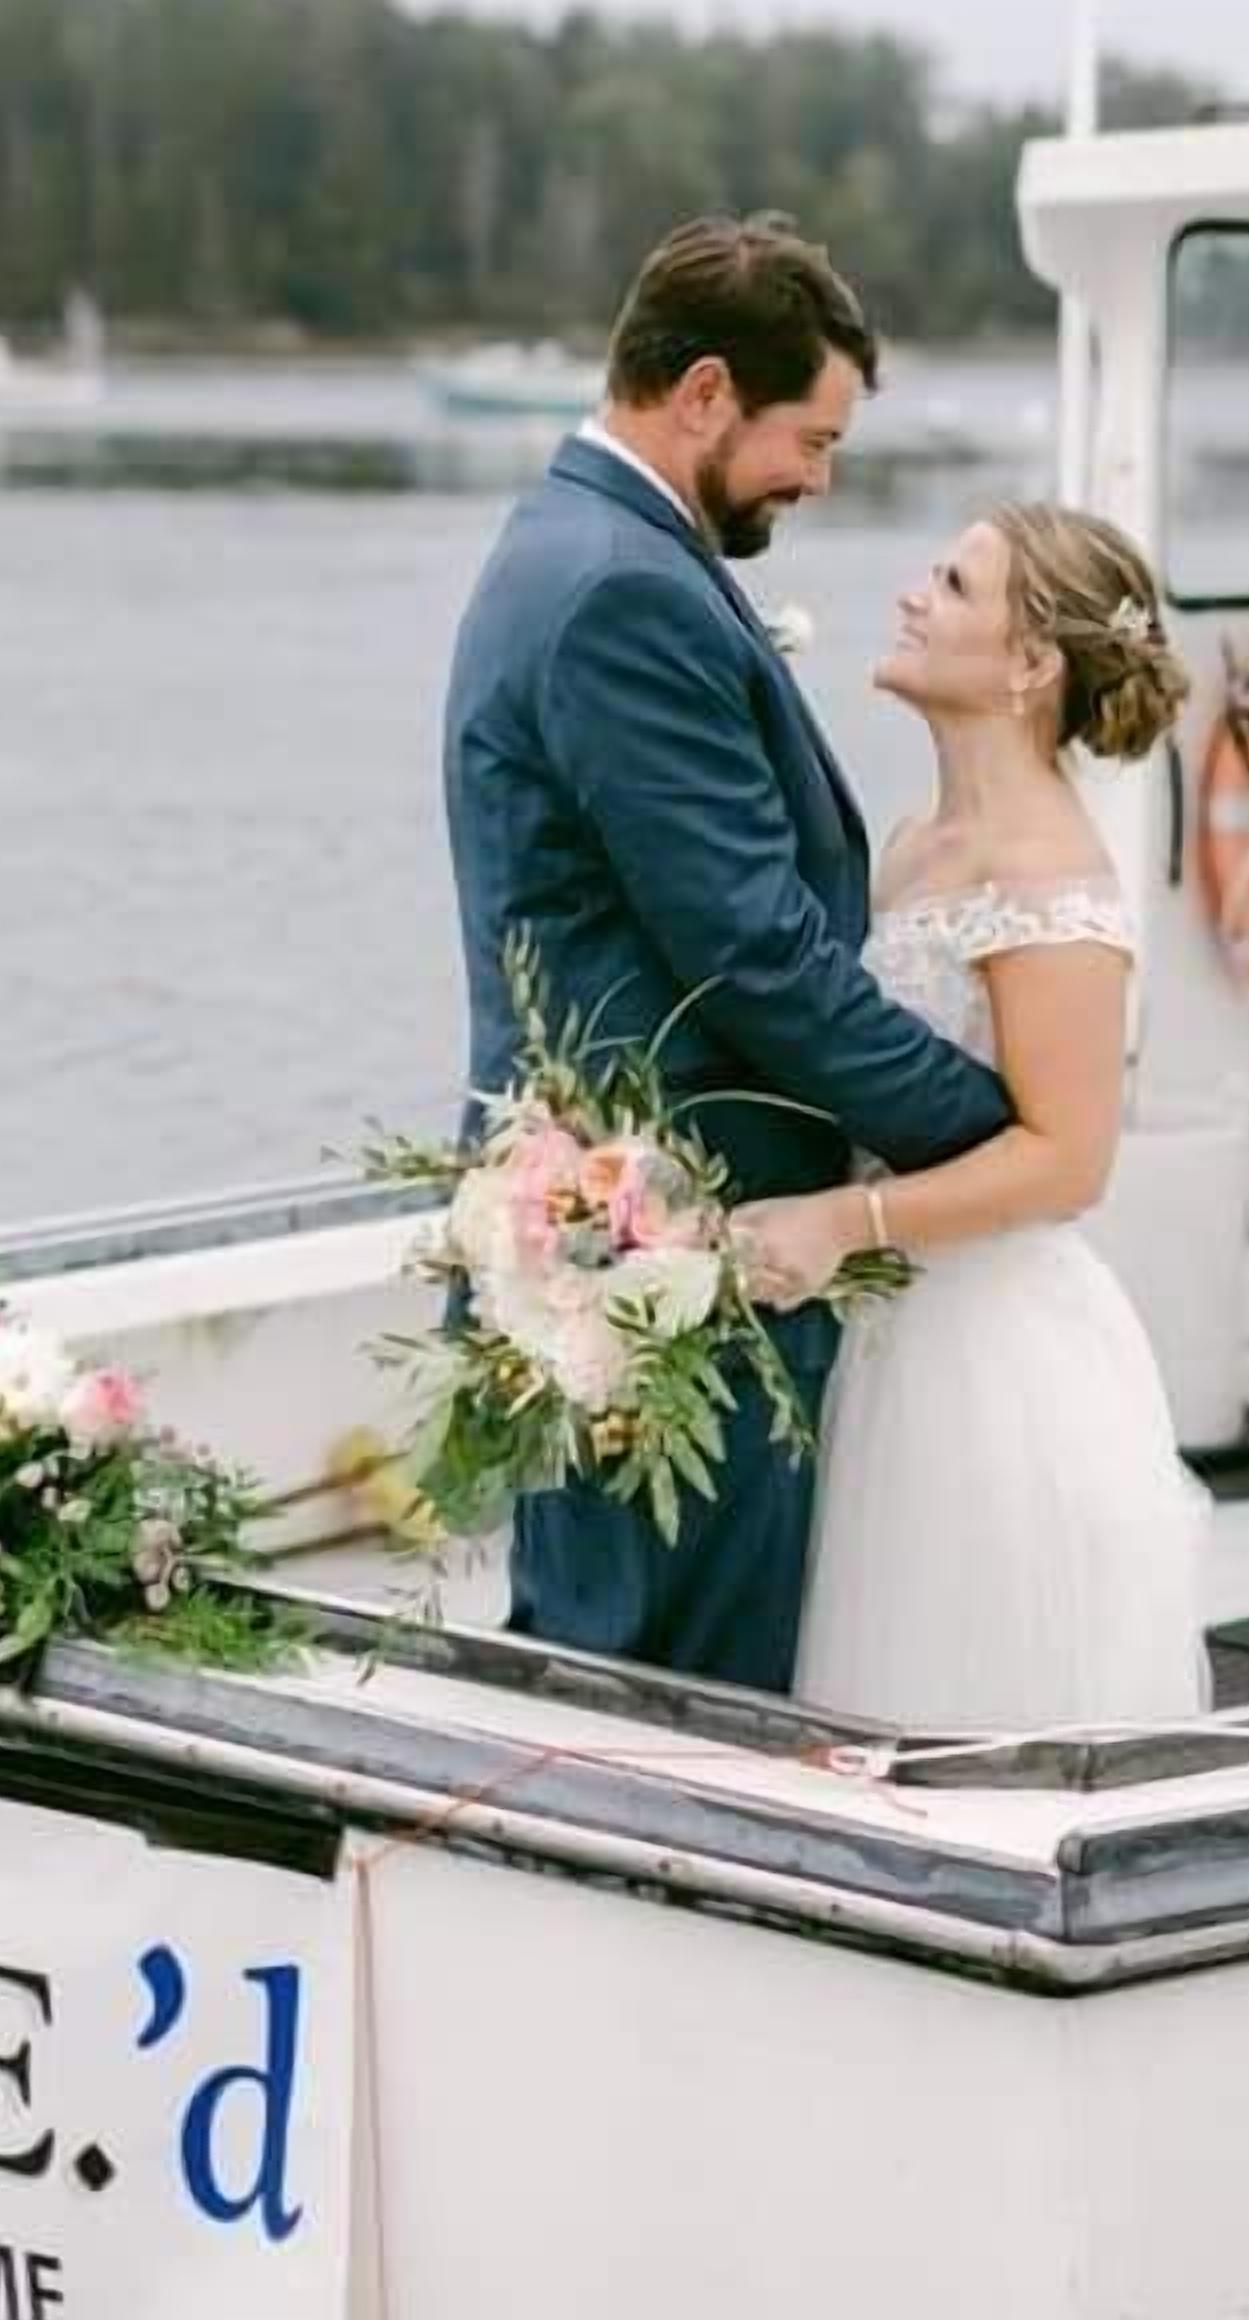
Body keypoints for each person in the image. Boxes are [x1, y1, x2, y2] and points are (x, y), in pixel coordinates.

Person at [441, 214, 1012, 1691]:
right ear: (702, 393)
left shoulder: (585, 542)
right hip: (672, 1243)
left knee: (630, 1654)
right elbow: (754, 953)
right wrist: (992, 1134)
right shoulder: (623, 588)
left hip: (626, 1223)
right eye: (807, 440)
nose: (816, 481)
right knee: (669, 1680)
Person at [734, 501, 1213, 1729]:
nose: (910, 594)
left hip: (992, 1360)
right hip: (888, 1337)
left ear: (1029, 663)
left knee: (963, 1703)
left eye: (949, 584)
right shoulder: (906, 845)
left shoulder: (1050, 878)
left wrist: (846, 1220)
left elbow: (1068, 1161)